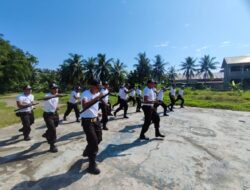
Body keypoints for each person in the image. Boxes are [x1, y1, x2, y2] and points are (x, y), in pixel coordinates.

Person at [81, 79, 103, 175]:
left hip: (96, 120)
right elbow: (84, 105)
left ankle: (87, 150)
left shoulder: (97, 93)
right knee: (93, 142)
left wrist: (97, 113)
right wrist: (97, 98)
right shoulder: (85, 94)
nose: (99, 89)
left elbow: (94, 107)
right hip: (87, 121)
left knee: (99, 138)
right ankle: (91, 166)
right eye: (98, 86)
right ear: (93, 86)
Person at [42, 83, 61, 153]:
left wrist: (56, 107)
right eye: (54, 88)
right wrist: (54, 95)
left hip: (55, 114)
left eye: (56, 88)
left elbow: (54, 104)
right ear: (50, 89)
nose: (56, 89)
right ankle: (52, 145)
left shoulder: (57, 95)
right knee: (53, 130)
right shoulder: (47, 95)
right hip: (48, 115)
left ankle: (47, 134)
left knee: (55, 126)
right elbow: (44, 98)